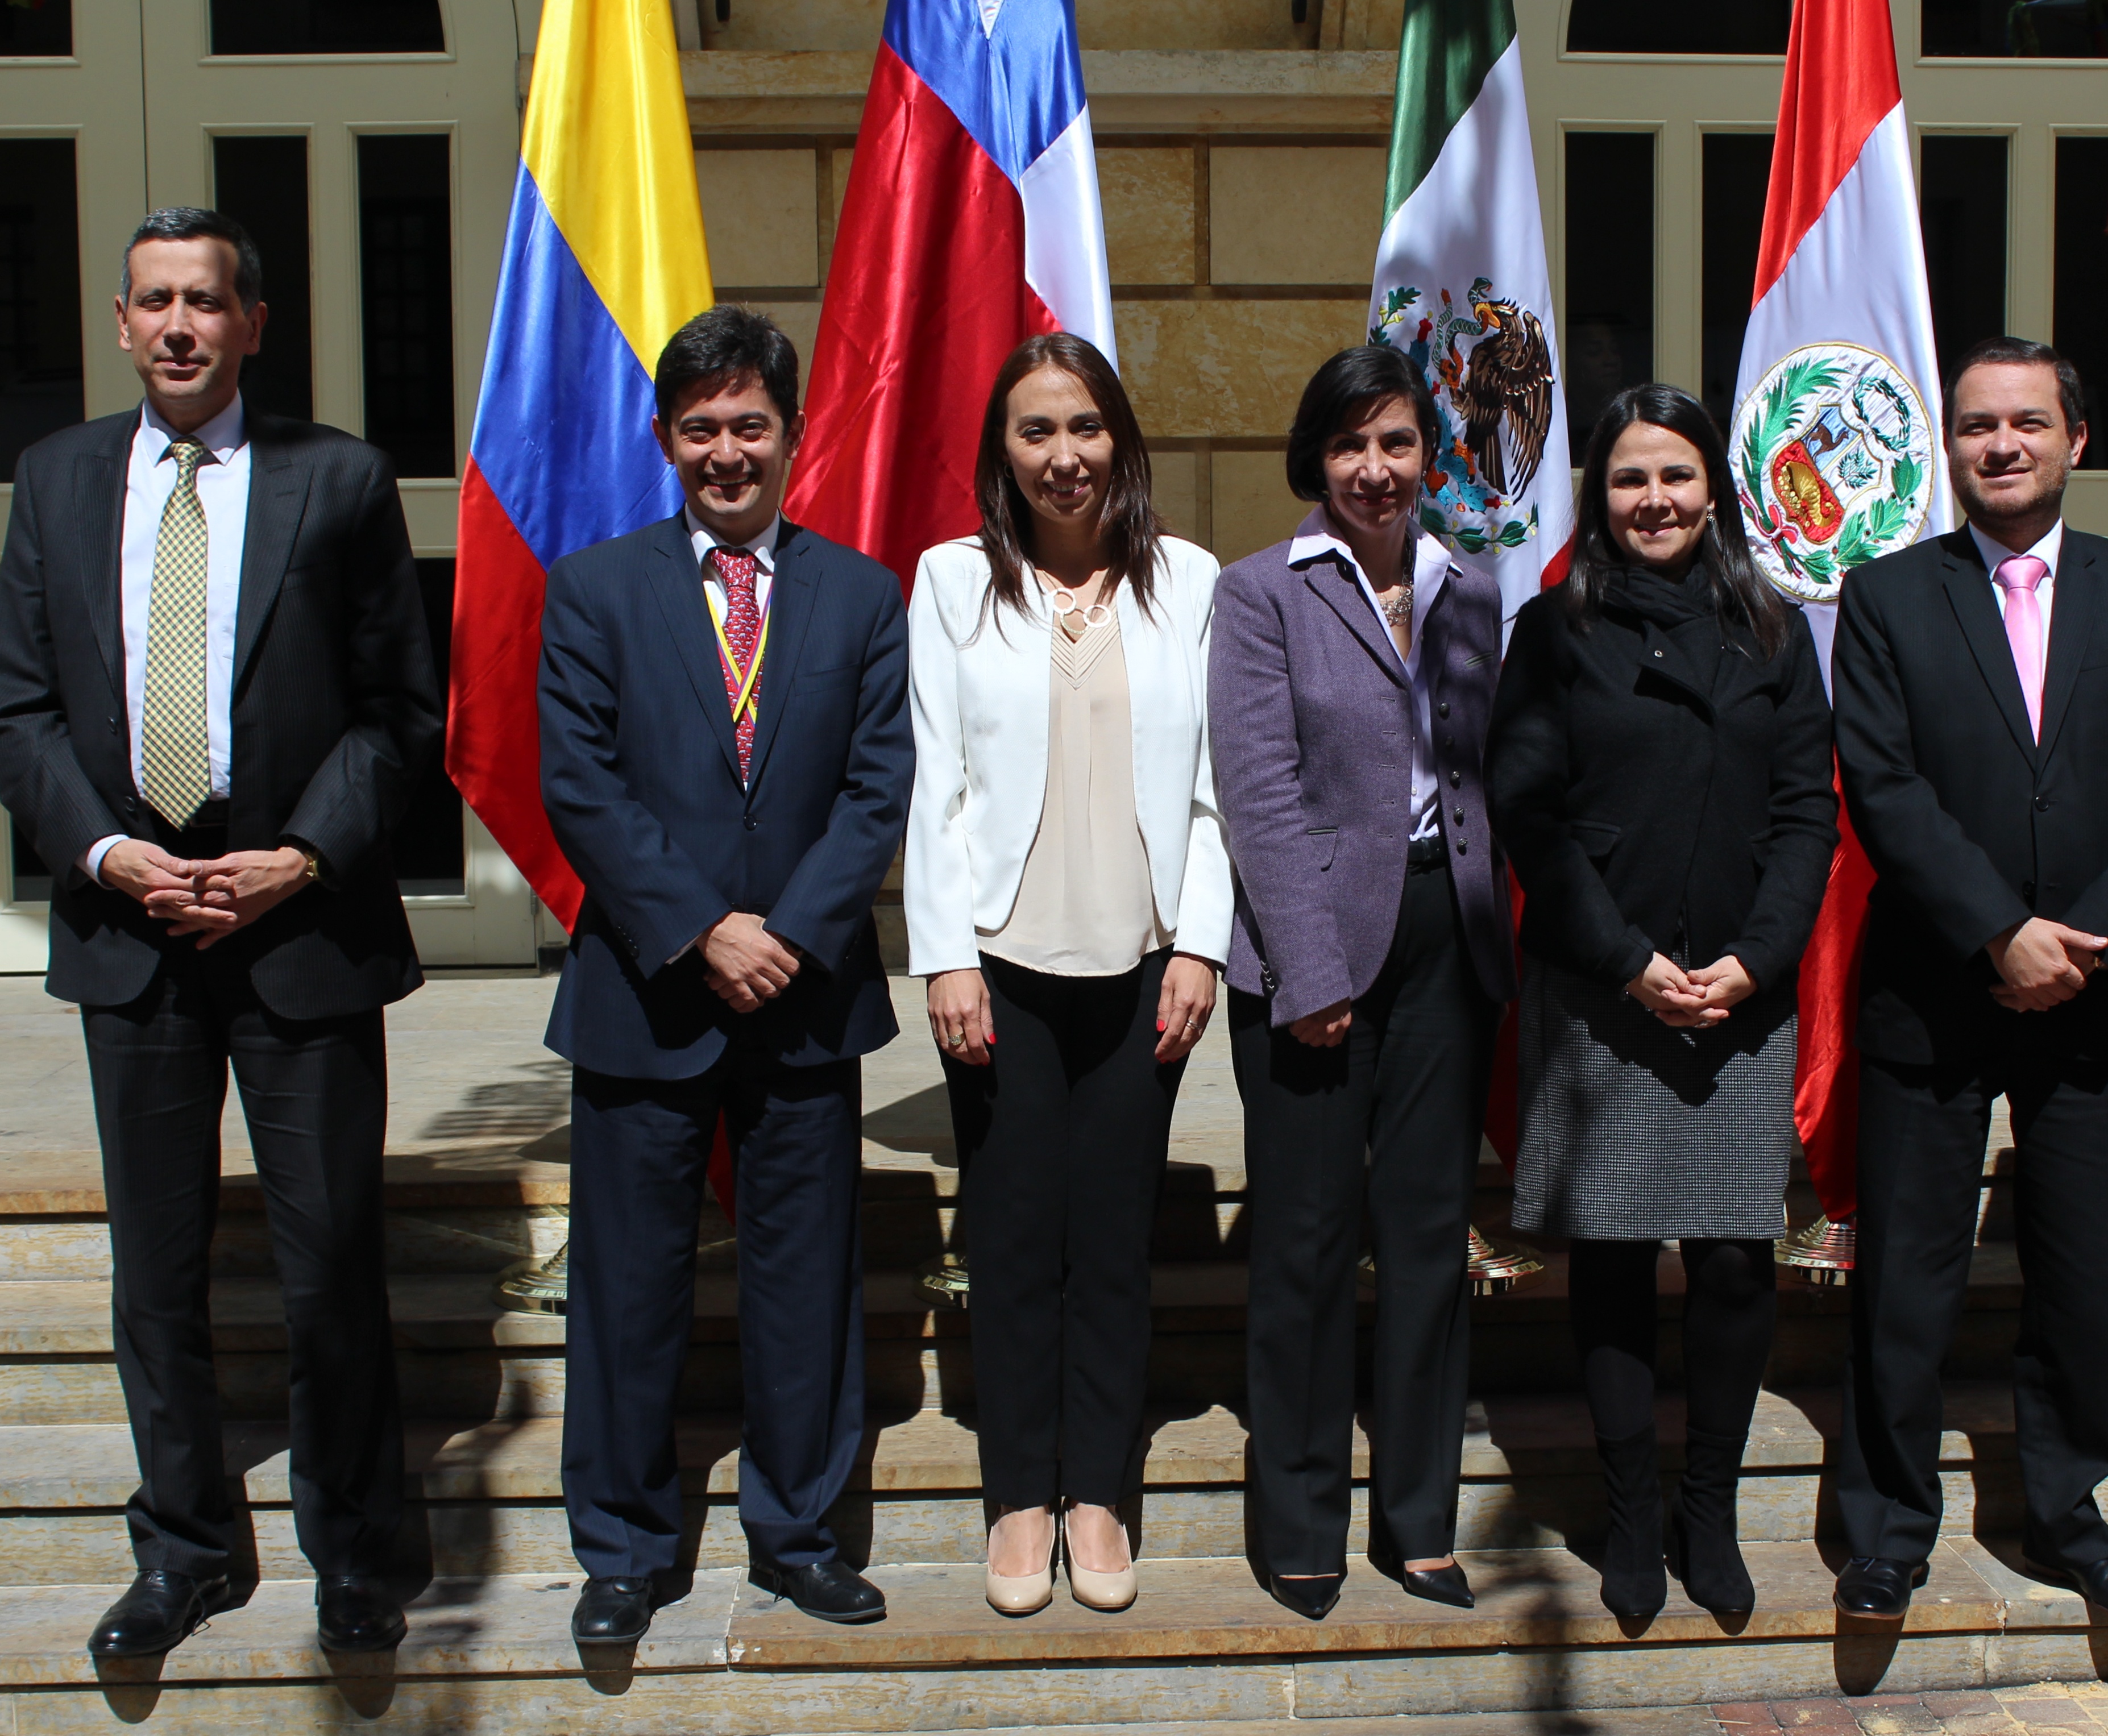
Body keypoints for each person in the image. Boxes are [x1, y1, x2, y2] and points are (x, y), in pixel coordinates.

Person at [0, 208, 439, 1658]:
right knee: (155, 1266)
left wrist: (298, 856)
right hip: (133, 934)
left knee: (330, 1258)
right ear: (121, 325)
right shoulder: (54, 483)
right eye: (154, 303)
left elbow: (397, 714)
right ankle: (185, 1549)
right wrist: (114, 854)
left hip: (298, 925)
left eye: (207, 302)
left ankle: (361, 1549)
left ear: (252, 323)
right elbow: (19, 707)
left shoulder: (339, 479)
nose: (180, 326)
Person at [1828, 335, 2108, 1623]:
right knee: (1904, 1281)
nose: (1999, 445)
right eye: (1975, 427)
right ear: (1947, 448)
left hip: (2096, 1003)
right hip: (1932, 997)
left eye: (2025, 424)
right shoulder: (1887, 595)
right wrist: (1998, 932)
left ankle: (2063, 1510)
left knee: (2070, 1278)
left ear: (2074, 440)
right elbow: (1883, 787)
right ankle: (1884, 1524)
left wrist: (2081, 943)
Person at [537, 306, 914, 1643]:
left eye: (750, 424)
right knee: (628, 1286)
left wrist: (787, 935)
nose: (726, 450)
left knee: (804, 1282)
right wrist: (704, 928)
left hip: (804, 995)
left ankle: (799, 1532)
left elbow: (879, 790)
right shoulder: (593, 590)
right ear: (664, 440)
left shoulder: (863, 596)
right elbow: (577, 782)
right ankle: (626, 1548)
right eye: (699, 427)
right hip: (646, 990)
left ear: (793, 436)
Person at [1486, 383, 1837, 1619]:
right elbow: (1527, 815)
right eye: (1630, 479)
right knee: (1619, 1261)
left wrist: (1756, 956)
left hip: (1738, 993)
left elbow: (1807, 809)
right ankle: (1630, 1508)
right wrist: (1627, 958)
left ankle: (1708, 1505)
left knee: (1739, 1260)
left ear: (1712, 491)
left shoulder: (1775, 629)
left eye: (1675, 476)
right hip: (1604, 992)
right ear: (1599, 496)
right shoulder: (1553, 632)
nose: (1654, 500)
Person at [904, 334, 1230, 1615]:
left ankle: (1096, 1493)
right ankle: (1017, 1501)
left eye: (1084, 427)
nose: (1062, 455)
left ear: (1121, 441)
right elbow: (933, 789)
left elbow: (1214, 793)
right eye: (1034, 431)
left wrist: (1199, 940)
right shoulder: (948, 583)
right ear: (1003, 451)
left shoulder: (1190, 584)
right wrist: (939, 955)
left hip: (1141, 967)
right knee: (1011, 1235)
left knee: (1111, 1244)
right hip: (996, 968)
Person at [1210, 344, 1516, 1619]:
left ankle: (1419, 1519)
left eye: (1396, 445)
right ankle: (1296, 1522)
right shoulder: (1259, 594)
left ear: (1426, 459)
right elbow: (1258, 793)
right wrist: (1310, 968)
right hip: (1312, 955)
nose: (1374, 470)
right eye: (1350, 446)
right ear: (1314, 459)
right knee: (1304, 1242)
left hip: (1447, 945)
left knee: (1428, 1245)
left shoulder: (1470, 588)